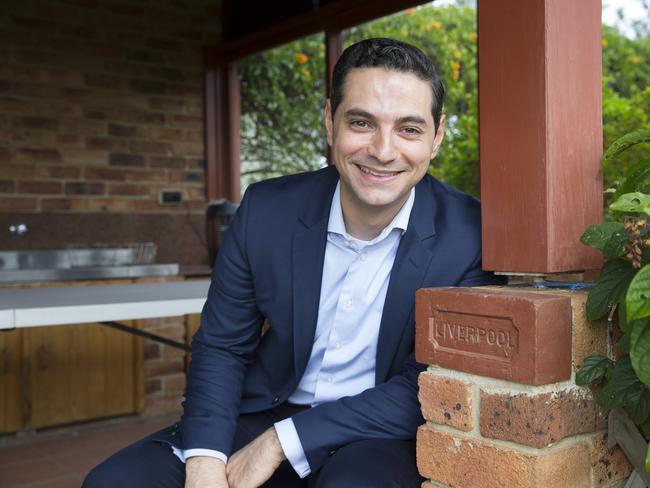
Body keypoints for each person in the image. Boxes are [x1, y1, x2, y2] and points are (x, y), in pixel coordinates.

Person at [84, 37, 503, 488]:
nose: (383, 151)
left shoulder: (469, 236)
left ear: (436, 137)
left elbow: (428, 384)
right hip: (267, 408)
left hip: (378, 433)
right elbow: (223, 346)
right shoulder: (267, 210)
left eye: (409, 129)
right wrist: (204, 461)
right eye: (361, 123)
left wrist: (280, 442)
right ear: (329, 121)